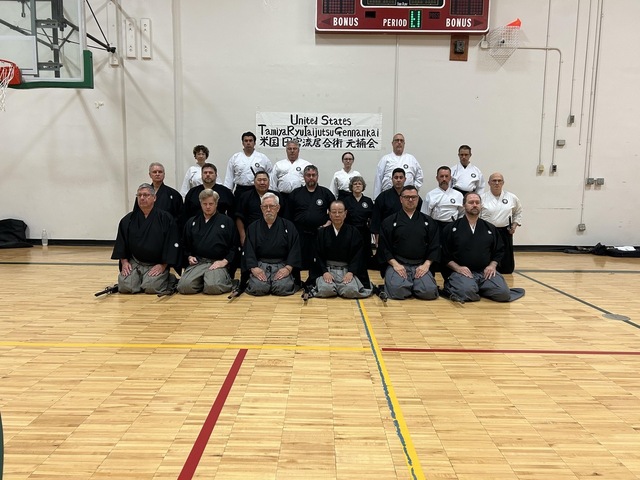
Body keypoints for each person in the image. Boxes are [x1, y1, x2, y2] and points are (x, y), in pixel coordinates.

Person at [441, 192, 525, 302]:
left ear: (481, 205)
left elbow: (499, 251)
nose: (474, 205)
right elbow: (443, 254)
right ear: (464, 205)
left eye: (477, 202)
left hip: (485, 272)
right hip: (461, 272)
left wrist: (492, 266)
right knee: (467, 293)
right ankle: (468, 287)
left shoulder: (490, 228)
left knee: (503, 294)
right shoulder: (451, 228)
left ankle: (476, 287)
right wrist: (457, 268)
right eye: (471, 202)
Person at [111, 183, 180, 294]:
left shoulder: (165, 218)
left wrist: (163, 266)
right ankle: (139, 278)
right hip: (135, 262)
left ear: (154, 197)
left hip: (156, 263)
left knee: (151, 288)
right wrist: (124, 262)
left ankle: (169, 278)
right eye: (139, 195)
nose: (142, 198)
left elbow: (171, 243)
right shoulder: (128, 220)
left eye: (146, 195)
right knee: (125, 287)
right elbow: (121, 243)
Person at [377, 186, 440, 300]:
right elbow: (384, 247)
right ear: (401, 199)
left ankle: (414, 284)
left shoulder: (428, 221)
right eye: (407, 197)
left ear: (418, 199)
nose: (410, 200)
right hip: (398, 264)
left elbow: (434, 246)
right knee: (397, 292)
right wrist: (395, 264)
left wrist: (426, 265)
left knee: (429, 292)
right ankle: (406, 284)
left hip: (420, 265)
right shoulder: (389, 221)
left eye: (414, 197)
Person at [177, 189, 238, 295]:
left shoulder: (227, 222)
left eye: (211, 203)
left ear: (216, 204)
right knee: (184, 287)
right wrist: (189, 257)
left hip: (217, 263)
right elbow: (185, 245)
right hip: (199, 262)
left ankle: (226, 281)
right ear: (200, 203)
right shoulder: (192, 222)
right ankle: (203, 280)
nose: (208, 207)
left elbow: (234, 246)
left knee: (213, 288)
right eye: (205, 204)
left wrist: (224, 261)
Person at [308, 200, 372, 298]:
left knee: (349, 291)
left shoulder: (353, 232)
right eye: (333, 212)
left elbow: (358, 254)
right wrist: (324, 272)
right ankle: (332, 286)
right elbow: (317, 254)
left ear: (345, 213)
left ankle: (341, 286)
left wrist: (351, 272)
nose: (337, 215)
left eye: (340, 212)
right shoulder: (322, 233)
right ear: (329, 214)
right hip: (327, 269)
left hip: (347, 270)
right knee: (326, 290)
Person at [242, 193, 302, 296]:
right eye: (265, 206)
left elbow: (295, 249)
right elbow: (248, 250)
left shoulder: (288, 226)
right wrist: (254, 268)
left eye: (272, 206)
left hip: (282, 265)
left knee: (282, 288)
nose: (268, 209)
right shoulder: (253, 227)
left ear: (278, 208)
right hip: (260, 265)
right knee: (258, 288)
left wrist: (288, 268)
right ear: (261, 208)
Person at [288, 165, 334, 277]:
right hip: (299, 233)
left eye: (314, 175)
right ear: (304, 177)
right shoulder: (296, 193)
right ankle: (296, 281)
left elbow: (335, 209)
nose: (311, 177)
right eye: (308, 175)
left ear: (317, 177)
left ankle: (315, 280)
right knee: (298, 259)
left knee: (317, 259)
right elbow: (288, 214)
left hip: (319, 232)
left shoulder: (325, 193)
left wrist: (329, 222)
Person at [480, 172, 523, 274]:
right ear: (489, 183)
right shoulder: (482, 198)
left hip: (505, 230)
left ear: (503, 183)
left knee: (506, 261)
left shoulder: (511, 197)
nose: (497, 183)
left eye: (499, 181)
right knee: (488, 253)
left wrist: (514, 224)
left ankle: (505, 269)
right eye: (494, 181)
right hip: (487, 230)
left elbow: (518, 211)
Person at [370, 168, 423, 241]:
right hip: (388, 232)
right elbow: (376, 217)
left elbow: (419, 213)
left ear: (405, 179)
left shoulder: (413, 196)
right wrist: (376, 234)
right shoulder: (383, 197)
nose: (398, 180)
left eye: (401, 177)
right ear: (392, 179)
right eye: (396, 177)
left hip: (409, 231)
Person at [234, 170, 280, 246]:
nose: (262, 182)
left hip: (274, 234)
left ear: (269, 182)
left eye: (265, 180)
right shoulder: (245, 196)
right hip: (251, 234)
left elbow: (283, 217)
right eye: (259, 180)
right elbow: (239, 217)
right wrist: (243, 236)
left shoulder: (276, 196)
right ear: (254, 182)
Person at [373, 133, 423, 198]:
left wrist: (413, 189)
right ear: (392, 143)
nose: (399, 142)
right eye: (397, 140)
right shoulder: (385, 159)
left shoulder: (411, 159)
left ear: (404, 144)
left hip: (407, 197)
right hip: (388, 196)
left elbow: (419, 177)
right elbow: (378, 180)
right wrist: (376, 198)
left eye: (401, 141)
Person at [223, 131, 272, 197]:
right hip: (240, 190)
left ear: (254, 143)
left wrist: (269, 190)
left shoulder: (262, 158)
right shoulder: (235, 158)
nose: (248, 143)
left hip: (257, 189)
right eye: (246, 141)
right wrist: (227, 193)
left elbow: (270, 174)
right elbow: (229, 177)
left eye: (250, 141)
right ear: (242, 143)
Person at [269, 139, 311, 216]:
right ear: (286, 150)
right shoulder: (279, 165)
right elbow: (273, 183)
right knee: (283, 217)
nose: (292, 151)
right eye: (289, 149)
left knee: (299, 217)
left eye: (294, 149)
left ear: (298, 150)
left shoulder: (306, 165)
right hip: (283, 197)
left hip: (300, 197)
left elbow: (310, 182)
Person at [342, 176, 374, 268]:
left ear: (363, 186)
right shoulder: (346, 200)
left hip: (364, 231)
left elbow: (372, 217)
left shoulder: (368, 201)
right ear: (351, 186)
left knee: (364, 251)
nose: (357, 186)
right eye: (355, 184)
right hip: (350, 230)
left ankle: (364, 266)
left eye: (360, 184)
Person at [421, 166, 464, 231]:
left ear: (450, 178)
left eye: (446, 176)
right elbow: (424, 215)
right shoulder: (430, 195)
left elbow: (462, 213)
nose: (444, 179)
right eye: (441, 176)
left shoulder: (458, 195)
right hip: (436, 227)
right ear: (437, 178)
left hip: (453, 226)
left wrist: (458, 224)